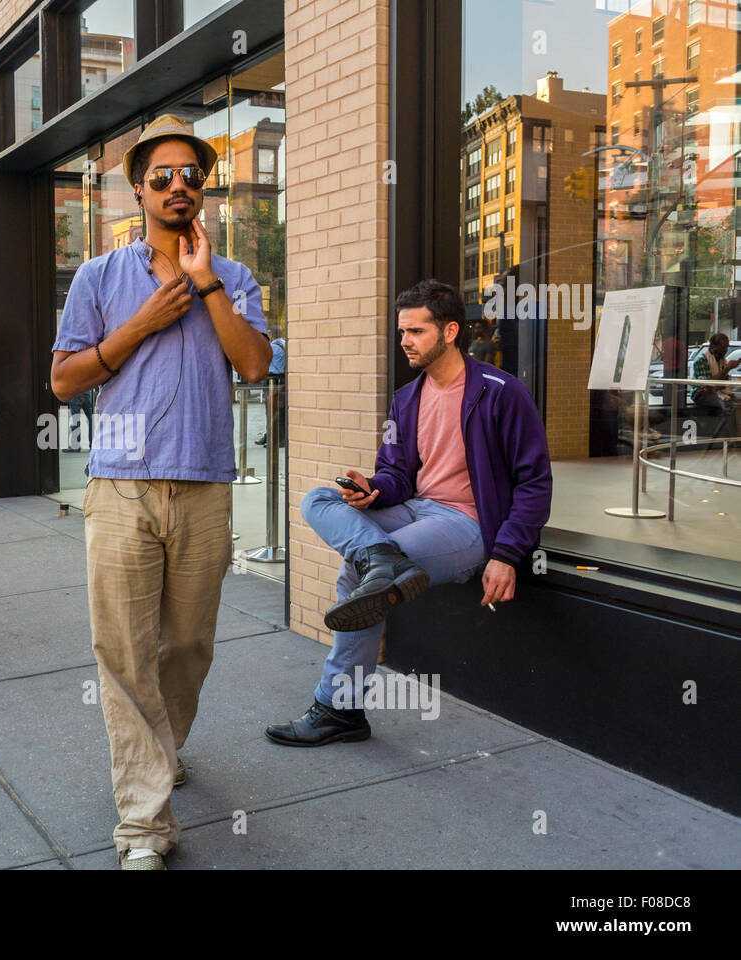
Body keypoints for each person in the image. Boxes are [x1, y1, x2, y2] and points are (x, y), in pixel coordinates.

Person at [50, 114, 271, 870]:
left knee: (187, 647)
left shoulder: (234, 277)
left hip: (205, 486)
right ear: (137, 188)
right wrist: (140, 323)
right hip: (120, 487)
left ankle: (160, 746)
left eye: (191, 176)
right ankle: (144, 822)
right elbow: (63, 378)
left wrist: (206, 284)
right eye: (163, 176)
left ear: (203, 189)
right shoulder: (98, 278)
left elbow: (252, 366)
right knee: (123, 651)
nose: (179, 186)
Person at [264, 279, 552, 748]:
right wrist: (372, 489)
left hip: (468, 525)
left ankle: (339, 709)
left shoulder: (501, 392)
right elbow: (396, 474)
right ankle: (378, 566)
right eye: (403, 332)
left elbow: (535, 481)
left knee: (358, 574)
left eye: (416, 331)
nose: (405, 342)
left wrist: (507, 553)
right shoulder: (407, 398)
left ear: (450, 331)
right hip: (415, 509)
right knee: (317, 499)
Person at [691, 332, 739, 439]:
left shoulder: (722, 360)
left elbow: (723, 382)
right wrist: (727, 369)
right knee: (727, 406)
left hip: (717, 391)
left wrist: (718, 383)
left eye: (727, 347)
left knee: (738, 403)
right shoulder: (701, 360)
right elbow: (706, 386)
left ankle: (734, 437)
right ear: (713, 347)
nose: (726, 350)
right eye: (723, 347)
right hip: (701, 395)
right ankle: (728, 439)